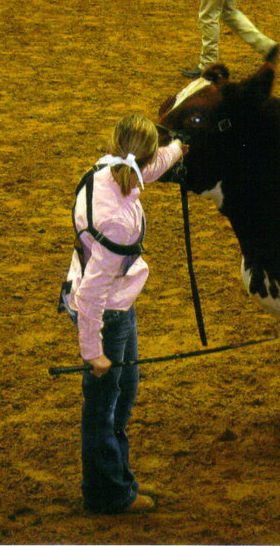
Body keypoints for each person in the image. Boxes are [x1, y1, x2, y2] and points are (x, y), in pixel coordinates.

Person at [61, 114, 186, 515]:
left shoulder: (105, 168)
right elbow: (92, 295)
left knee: (123, 390)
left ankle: (115, 474)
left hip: (115, 302)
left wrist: (178, 149)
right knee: (104, 403)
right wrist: (91, 351)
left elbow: (149, 167)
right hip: (106, 312)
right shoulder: (117, 223)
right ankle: (107, 492)